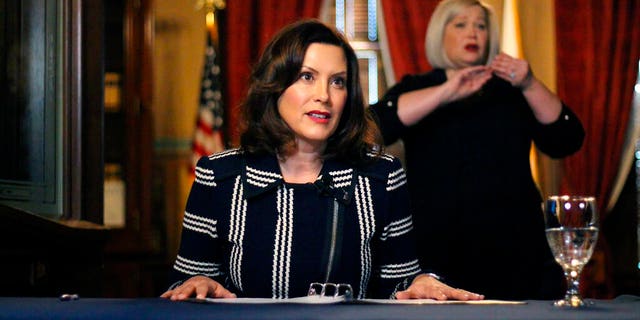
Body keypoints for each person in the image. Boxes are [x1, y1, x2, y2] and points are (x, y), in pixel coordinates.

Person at [161, 19, 483, 301]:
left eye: (337, 81)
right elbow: (186, 283)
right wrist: (198, 282)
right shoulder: (218, 175)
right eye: (306, 77)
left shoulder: (381, 176)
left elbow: (399, 285)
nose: (324, 95)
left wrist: (420, 284)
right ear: (275, 86)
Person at [369, 0, 585, 300]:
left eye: (480, 26)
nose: (472, 33)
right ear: (439, 34)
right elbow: (373, 129)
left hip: (517, 253)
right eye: (460, 24)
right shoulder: (417, 88)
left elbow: (567, 139)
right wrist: (447, 90)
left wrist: (528, 82)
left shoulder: (512, 89)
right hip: (438, 255)